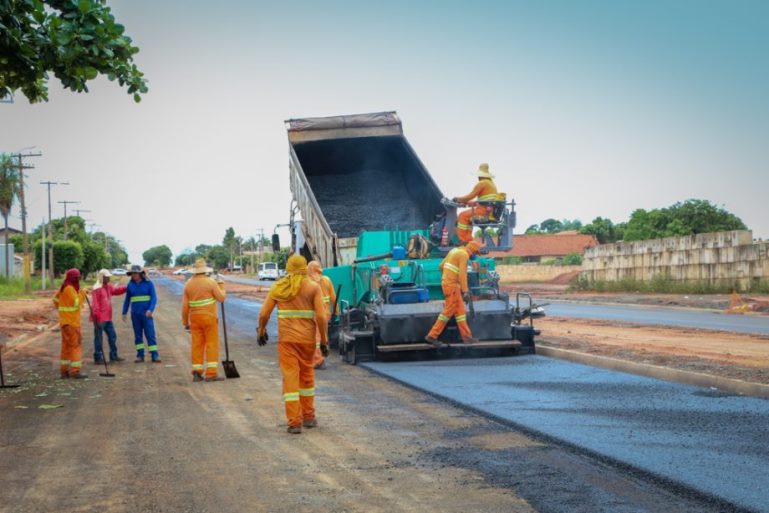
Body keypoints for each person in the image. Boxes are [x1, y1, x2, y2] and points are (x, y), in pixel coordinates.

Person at [258, 255, 328, 434]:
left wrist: (261, 331)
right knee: (307, 377)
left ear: (288, 267)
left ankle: (294, 422)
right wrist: (325, 341)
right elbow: (321, 317)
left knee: (290, 378)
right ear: (305, 267)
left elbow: (264, 314)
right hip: (308, 341)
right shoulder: (313, 287)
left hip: (287, 341)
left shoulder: (279, 287)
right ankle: (309, 417)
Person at [425, 240, 482, 346]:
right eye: (476, 253)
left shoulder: (454, 250)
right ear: (473, 250)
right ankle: (432, 336)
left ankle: (467, 337)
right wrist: (465, 291)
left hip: (448, 284)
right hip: (452, 287)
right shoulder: (464, 255)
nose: (474, 255)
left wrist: (448, 277)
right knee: (447, 312)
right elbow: (462, 275)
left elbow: (441, 266)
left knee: (460, 313)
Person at [182, 258, 226, 382]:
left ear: (194, 271)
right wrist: (221, 284)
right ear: (205, 270)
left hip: (194, 318)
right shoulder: (211, 282)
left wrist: (185, 323)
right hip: (209, 317)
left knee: (197, 345)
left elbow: (185, 307)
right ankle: (211, 373)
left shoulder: (188, 284)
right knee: (211, 344)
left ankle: (197, 372)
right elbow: (221, 298)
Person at [53, 268, 89, 379]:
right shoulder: (70, 288)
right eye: (77, 278)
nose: (78, 280)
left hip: (65, 322)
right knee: (75, 347)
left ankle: (64, 372)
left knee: (66, 347)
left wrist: (63, 308)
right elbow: (76, 302)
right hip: (72, 323)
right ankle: (75, 371)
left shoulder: (64, 287)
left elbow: (55, 299)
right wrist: (83, 293)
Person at [122, 265, 160, 363]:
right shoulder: (130, 285)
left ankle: (154, 355)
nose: (134, 275)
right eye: (132, 273)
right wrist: (124, 312)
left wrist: (150, 310)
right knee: (138, 336)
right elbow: (127, 300)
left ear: (140, 274)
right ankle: (140, 355)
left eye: (135, 273)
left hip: (146, 315)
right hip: (135, 315)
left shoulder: (149, 284)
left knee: (150, 334)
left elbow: (154, 298)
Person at [453, 163, 499, 243]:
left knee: (462, 216)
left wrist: (458, 199)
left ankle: (462, 240)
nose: (478, 177)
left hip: (483, 211)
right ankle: (468, 239)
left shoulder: (482, 183)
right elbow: (485, 200)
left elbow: (471, 195)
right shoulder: (492, 184)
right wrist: (469, 203)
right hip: (487, 211)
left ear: (481, 175)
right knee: (468, 218)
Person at [90, 269, 127, 364]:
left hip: (108, 318)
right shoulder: (96, 288)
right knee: (99, 338)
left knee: (112, 336)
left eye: (109, 276)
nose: (109, 278)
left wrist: (127, 288)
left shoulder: (108, 287)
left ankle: (113, 355)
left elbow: (116, 291)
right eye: (107, 277)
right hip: (100, 319)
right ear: (102, 277)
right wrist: (97, 318)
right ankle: (98, 357)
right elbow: (95, 305)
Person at [307, 260, 336, 370]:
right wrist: (337, 311)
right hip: (325, 314)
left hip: (312, 314)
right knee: (322, 337)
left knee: (314, 338)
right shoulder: (327, 280)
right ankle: (318, 359)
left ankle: (318, 361)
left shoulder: (307, 282)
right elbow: (333, 298)